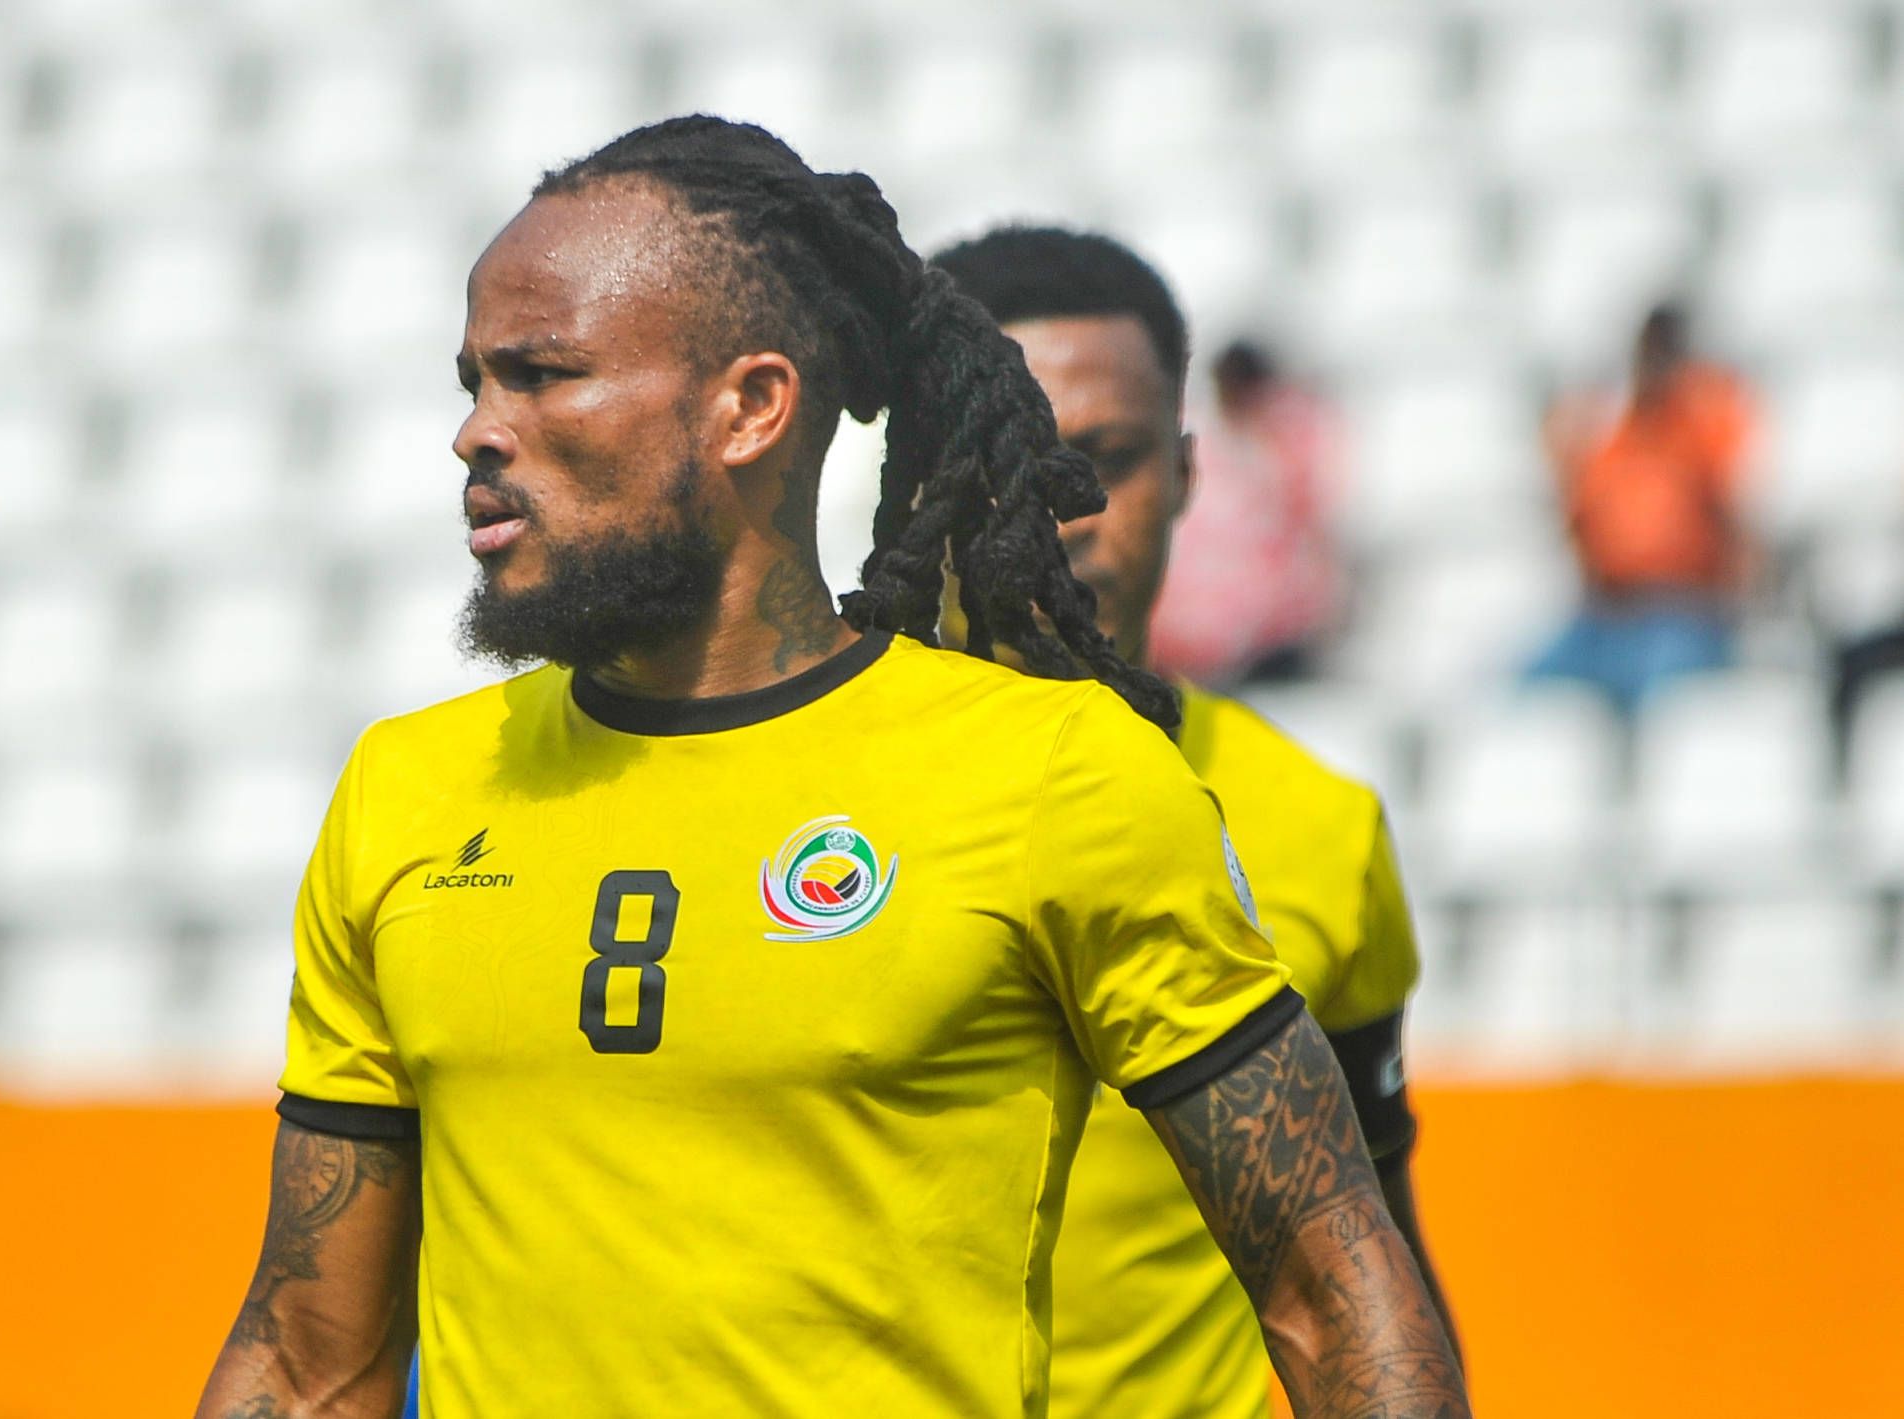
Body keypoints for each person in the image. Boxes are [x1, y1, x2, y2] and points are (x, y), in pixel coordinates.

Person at [194, 117, 1466, 1419]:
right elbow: (305, 1365)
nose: (477, 431)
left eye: (542, 374)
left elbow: (1334, 1291)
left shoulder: (1055, 775)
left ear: (751, 405)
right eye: (473, 381)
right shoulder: (404, 790)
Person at [933, 225, 1459, 1419]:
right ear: (917, 474)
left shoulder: (1319, 827)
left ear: (1185, 475)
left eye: (1105, 460)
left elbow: (1367, 1267)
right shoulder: (794, 782)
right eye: (1004, 459)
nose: (1061, 510)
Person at [1526, 302, 1758, 712]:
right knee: (1527, 692)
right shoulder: (1610, 437)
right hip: (1607, 620)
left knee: (1661, 699)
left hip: (1684, 614)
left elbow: (1735, 529)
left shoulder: (1709, 428)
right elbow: (1582, 531)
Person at [1145, 338, 1344, 687]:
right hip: (1189, 647)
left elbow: (1315, 542)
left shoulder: (1295, 446)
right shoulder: (1193, 447)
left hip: (1275, 641)